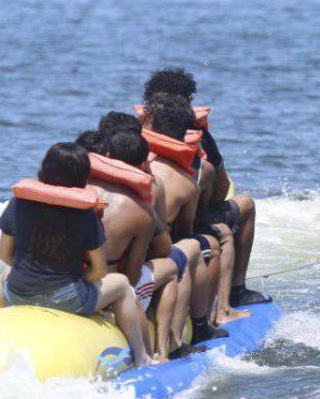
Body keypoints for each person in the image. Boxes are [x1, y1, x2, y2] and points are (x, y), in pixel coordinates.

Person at [0, 143, 152, 367]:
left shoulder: (19, 202)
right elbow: (99, 270)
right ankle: (142, 357)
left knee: (6, 273)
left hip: (18, 294)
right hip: (67, 300)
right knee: (121, 284)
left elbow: (5, 255)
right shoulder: (85, 213)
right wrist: (76, 282)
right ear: (83, 176)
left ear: (44, 169)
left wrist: (31, 274)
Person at [142, 67, 268, 307]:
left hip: (144, 228)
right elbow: (222, 186)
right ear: (187, 102)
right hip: (184, 225)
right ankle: (235, 292)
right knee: (246, 205)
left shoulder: (131, 132)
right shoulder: (199, 138)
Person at [95, 129, 203, 358]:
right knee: (174, 266)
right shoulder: (140, 208)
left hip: (73, 283)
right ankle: (165, 349)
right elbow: (133, 276)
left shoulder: (85, 190)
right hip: (112, 291)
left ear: (106, 156)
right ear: (144, 164)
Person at [142, 93, 243, 339]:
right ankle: (200, 325)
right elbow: (187, 230)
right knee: (204, 246)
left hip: (120, 260)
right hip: (153, 257)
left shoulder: (135, 157)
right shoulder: (190, 179)